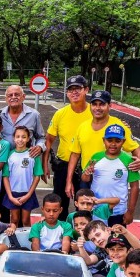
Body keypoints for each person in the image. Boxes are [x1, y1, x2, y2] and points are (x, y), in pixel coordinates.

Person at [66, 90, 140, 224]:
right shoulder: (83, 127)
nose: (97, 108)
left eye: (101, 104)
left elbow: (136, 148)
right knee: (86, 220)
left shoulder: (118, 126)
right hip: (88, 177)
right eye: (94, 104)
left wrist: (139, 161)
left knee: (112, 223)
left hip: (111, 181)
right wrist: (69, 181)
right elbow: (75, 154)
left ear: (109, 106)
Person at [43, 75, 93, 219]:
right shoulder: (60, 114)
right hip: (63, 166)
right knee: (60, 204)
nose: (74, 92)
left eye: (78, 88)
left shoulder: (95, 112)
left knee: (86, 206)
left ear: (86, 90)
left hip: (87, 167)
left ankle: (85, 236)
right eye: (71, 89)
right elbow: (49, 140)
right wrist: (44, 165)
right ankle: (61, 236)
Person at [80, 124, 140, 226]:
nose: (113, 144)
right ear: (104, 140)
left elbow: (135, 186)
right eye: (110, 140)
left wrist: (130, 211)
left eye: (117, 141)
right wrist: (87, 173)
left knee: (116, 240)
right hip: (96, 209)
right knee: (97, 238)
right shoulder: (96, 157)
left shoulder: (128, 161)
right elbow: (85, 179)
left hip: (118, 211)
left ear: (123, 141)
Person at [2, 126, 43, 228]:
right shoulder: (10, 155)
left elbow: (37, 176)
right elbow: (5, 177)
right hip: (13, 193)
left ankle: (28, 243)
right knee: (14, 220)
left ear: (28, 138)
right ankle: (13, 242)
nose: (20, 139)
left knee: (25, 220)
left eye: (24, 137)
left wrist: (28, 195)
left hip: (27, 193)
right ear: (14, 138)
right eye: (18, 136)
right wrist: (10, 196)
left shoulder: (33, 155)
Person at [0, 85, 46, 156]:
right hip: (3, 159)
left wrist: (39, 146)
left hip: (25, 160)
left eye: (17, 94)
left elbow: (41, 137)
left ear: (23, 96)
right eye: (10, 95)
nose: (13, 97)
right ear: (6, 98)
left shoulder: (33, 115)